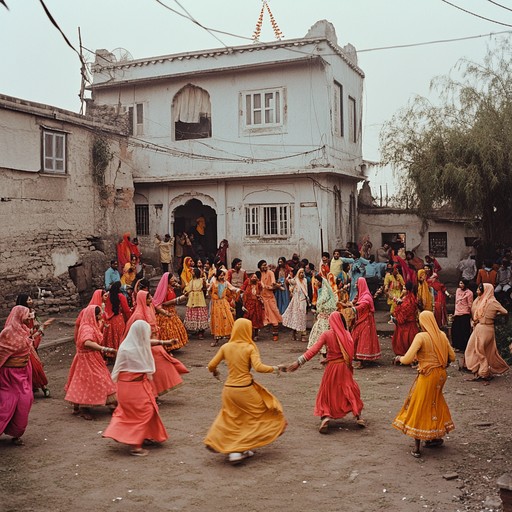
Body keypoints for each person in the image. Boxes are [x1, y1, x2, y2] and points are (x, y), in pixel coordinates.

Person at [204, 318, 287, 464]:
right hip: (244, 389)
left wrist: (215, 372)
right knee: (261, 414)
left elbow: (211, 365)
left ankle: (232, 446)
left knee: (233, 417)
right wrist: (275, 368)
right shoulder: (249, 348)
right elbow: (259, 368)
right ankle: (237, 449)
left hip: (228, 390)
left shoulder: (226, 347)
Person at [287, 311, 366, 433]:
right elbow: (350, 354)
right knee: (350, 389)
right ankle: (358, 416)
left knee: (327, 393)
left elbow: (313, 350)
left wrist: (299, 362)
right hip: (344, 368)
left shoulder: (327, 335)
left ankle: (326, 417)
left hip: (332, 368)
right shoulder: (346, 334)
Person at [392, 311, 455, 459]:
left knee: (419, 404)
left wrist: (398, 358)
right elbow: (452, 356)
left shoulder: (421, 337)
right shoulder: (442, 335)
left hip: (427, 376)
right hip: (440, 375)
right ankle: (434, 435)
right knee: (434, 402)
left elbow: (407, 359)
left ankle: (417, 447)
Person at [103, 320, 169, 457]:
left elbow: (118, 369)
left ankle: (142, 436)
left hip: (125, 386)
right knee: (144, 412)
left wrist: (164, 343)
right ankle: (136, 446)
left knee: (129, 412)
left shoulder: (126, 346)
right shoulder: (135, 348)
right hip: (135, 387)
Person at [124, 290, 189, 398]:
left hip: (153, 344)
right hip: (145, 347)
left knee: (159, 367)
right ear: (143, 300)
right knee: (151, 370)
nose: (151, 300)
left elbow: (158, 311)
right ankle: (151, 394)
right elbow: (140, 337)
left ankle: (154, 392)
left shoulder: (150, 308)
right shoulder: (139, 315)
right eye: (148, 298)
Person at [64, 305, 117, 420]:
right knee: (91, 380)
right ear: (93, 315)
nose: (100, 315)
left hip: (93, 358)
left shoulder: (91, 325)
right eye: (99, 314)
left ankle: (111, 403)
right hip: (87, 359)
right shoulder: (87, 328)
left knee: (101, 378)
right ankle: (84, 407)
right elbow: (87, 342)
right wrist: (104, 349)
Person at [0, 305, 34, 445]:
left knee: (25, 401)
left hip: (22, 373)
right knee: (7, 404)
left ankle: (16, 432)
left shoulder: (25, 330)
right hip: (8, 376)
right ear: (19, 315)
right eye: (27, 315)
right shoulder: (7, 332)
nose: (29, 317)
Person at [464, 283, 509, 384]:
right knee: (477, 349)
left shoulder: (492, 302)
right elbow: (504, 312)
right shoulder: (482, 301)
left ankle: (484, 372)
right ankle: (480, 370)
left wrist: (493, 314)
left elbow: (505, 311)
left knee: (480, 351)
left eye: (481, 289)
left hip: (485, 328)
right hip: (480, 327)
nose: (478, 291)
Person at [16, 294, 54, 397]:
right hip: (23, 348)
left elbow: (33, 331)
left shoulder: (31, 314)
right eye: (29, 300)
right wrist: (41, 328)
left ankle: (42, 387)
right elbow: (29, 334)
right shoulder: (18, 325)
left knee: (36, 366)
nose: (31, 301)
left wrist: (41, 328)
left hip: (30, 345)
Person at [152, 272, 189, 351]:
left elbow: (181, 286)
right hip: (165, 312)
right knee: (167, 329)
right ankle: (167, 346)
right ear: (167, 280)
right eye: (171, 278)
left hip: (172, 310)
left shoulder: (170, 288)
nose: (173, 279)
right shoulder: (164, 290)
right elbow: (164, 303)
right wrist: (180, 299)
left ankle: (172, 345)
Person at [350, 278, 381, 368]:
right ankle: (360, 358)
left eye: (357, 283)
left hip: (366, 320)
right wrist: (350, 304)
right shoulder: (360, 294)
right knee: (357, 336)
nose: (355, 285)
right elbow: (355, 301)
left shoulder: (366, 296)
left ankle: (363, 359)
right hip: (361, 319)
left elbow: (363, 305)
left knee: (364, 338)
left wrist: (352, 309)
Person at [307, 275, 339, 356]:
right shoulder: (320, 290)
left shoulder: (325, 292)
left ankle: (325, 350)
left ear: (320, 282)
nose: (315, 283)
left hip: (325, 316)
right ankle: (323, 350)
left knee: (323, 332)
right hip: (322, 315)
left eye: (317, 281)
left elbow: (323, 301)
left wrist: (318, 307)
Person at [209, 268, 239, 347]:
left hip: (224, 303)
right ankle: (216, 339)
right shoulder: (214, 282)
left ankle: (230, 338)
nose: (222, 277)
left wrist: (239, 290)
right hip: (216, 303)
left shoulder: (226, 283)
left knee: (228, 318)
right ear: (217, 276)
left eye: (223, 275)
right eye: (220, 275)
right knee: (217, 320)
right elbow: (209, 289)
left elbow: (232, 288)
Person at [102, 281, 131, 362]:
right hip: (118, 320)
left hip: (109, 320)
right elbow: (126, 310)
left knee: (110, 338)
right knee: (120, 337)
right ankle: (121, 355)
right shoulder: (121, 296)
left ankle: (110, 355)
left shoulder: (108, 296)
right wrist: (129, 318)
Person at [282, 267, 310, 342]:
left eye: (303, 272)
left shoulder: (305, 280)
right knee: (295, 317)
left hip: (303, 301)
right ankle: (294, 333)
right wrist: (288, 276)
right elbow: (287, 281)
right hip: (296, 302)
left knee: (303, 318)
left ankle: (303, 335)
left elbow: (306, 291)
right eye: (300, 272)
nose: (302, 274)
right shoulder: (295, 281)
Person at [391, 281, 419, 357]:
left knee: (406, 341)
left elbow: (404, 314)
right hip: (408, 324)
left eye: (404, 289)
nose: (402, 290)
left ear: (408, 290)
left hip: (407, 324)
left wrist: (399, 305)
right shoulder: (408, 298)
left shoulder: (409, 300)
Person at [451, 279, 474, 370]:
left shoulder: (469, 293)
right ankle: (457, 346)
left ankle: (464, 347)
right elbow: (456, 302)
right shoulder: (457, 291)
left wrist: (471, 315)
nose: (460, 285)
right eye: (459, 283)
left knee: (464, 330)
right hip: (457, 313)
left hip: (465, 313)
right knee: (455, 330)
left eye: (462, 283)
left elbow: (470, 304)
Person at [258, 260, 282, 341]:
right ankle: (256, 334)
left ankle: (275, 334)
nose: (265, 266)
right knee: (261, 315)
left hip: (270, 296)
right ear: (259, 267)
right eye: (263, 265)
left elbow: (273, 284)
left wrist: (271, 286)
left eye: (266, 265)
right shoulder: (258, 274)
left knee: (274, 313)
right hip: (262, 297)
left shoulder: (270, 273)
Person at [183, 267, 209, 339]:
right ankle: (196, 330)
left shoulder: (201, 280)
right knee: (194, 313)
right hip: (192, 298)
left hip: (200, 298)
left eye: (193, 272)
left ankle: (201, 331)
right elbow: (187, 289)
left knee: (200, 313)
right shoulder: (191, 281)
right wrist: (186, 292)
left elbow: (205, 286)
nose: (192, 273)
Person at [241, 272, 265, 341]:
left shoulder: (259, 284)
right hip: (248, 304)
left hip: (257, 305)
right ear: (250, 278)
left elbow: (262, 292)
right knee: (248, 319)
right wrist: (243, 304)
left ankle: (256, 335)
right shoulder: (247, 284)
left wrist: (260, 298)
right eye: (253, 277)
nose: (254, 278)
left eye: (255, 277)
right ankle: (248, 335)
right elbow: (243, 292)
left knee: (256, 319)